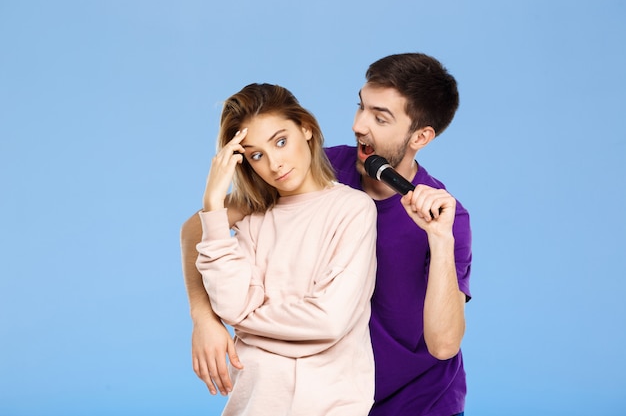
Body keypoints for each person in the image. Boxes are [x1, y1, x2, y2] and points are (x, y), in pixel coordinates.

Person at [181, 53, 472, 416]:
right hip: (324, 399)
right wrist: (205, 319)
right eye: (361, 107)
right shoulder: (312, 172)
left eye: (380, 118)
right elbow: (201, 224)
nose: (359, 125)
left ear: (421, 136)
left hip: (420, 402)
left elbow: (444, 345)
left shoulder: (448, 218)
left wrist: (440, 240)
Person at [192, 83, 378, 415]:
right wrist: (213, 204)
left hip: (331, 406)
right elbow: (233, 306)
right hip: (253, 405)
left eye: (281, 141)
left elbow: (328, 323)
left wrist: (248, 321)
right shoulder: (253, 219)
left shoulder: (353, 209)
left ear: (305, 128)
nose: (275, 164)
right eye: (256, 155)